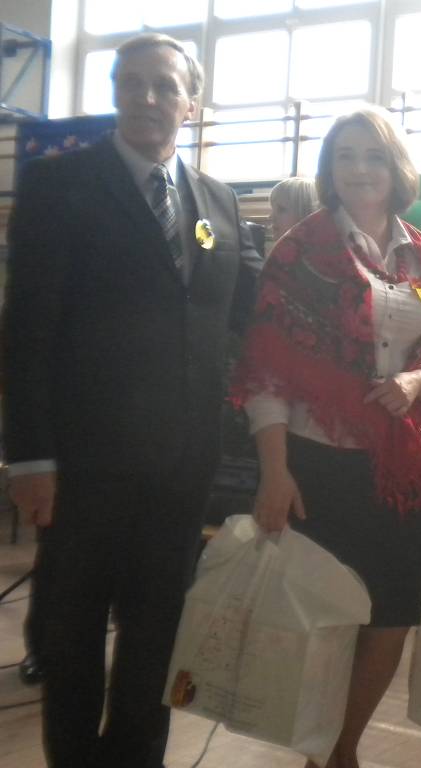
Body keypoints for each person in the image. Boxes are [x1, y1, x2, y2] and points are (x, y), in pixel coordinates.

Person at [1, 33, 262, 768]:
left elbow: (253, 310)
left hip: (181, 467)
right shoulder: (60, 186)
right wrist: (31, 458)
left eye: (163, 85)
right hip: (82, 465)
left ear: (191, 103)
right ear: (115, 92)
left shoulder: (218, 202)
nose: (146, 97)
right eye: (131, 83)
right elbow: (26, 332)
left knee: (158, 633)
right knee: (71, 634)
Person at [231, 106, 421, 768]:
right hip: (316, 464)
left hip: (398, 467)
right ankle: (324, 755)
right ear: (329, 170)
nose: (360, 169)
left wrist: (419, 380)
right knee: (325, 622)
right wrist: (275, 471)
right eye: (345, 156)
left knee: (393, 616)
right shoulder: (297, 253)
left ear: (396, 168)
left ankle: (341, 747)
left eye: (373, 155)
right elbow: (266, 373)